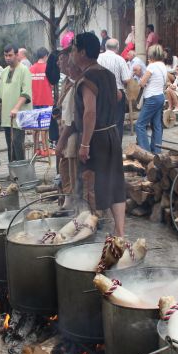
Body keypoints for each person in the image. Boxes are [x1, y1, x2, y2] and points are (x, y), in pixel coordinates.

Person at [71, 32, 125, 236]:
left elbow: (90, 111)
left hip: (96, 139)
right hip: (112, 134)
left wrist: (85, 144)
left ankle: (88, 232)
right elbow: (118, 96)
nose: (73, 54)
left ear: (83, 52)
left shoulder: (88, 77)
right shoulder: (108, 74)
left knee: (92, 184)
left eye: (75, 50)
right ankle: (120, 234)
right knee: (115, 183)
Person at [0, 44, 33, 162]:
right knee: (10, 146)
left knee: (18, 144)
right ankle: (13, 173)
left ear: (17, 55)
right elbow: (0, 95)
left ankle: (21, 172)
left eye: (10, 55)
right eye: (5, 55)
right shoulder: (4, 71)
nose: (7, 58)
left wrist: (16, 108)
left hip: (20, 115)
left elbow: (26, 93)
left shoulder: (24, 70)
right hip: (7, 116)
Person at [55, 50, 80, 207]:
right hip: (63, 127)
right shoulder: (64, 81)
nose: (59, 63)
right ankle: (67, 197)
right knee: (63, 165)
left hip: (73, 131)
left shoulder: (78, 83)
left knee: (72, 166)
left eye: (61, 59)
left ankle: (74, 200)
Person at [135, 44, 166, 153]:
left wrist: (140, 77)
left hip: (152, 97)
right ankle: (157, 151)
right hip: (160, 96)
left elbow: (142, 83)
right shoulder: (163, 65)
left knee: (140, 125)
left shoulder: (152, 66)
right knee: (157, 125)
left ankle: (146, 151)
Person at [98, 38, 132, 137]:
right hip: (117, 93)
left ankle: (104, 148)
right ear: (117, 48)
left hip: (100, 93)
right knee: (117, 122)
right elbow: (126, 79)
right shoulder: (120, 59)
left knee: (102, 120)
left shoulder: (98, 58)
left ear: (105, 47)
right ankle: (116, 148)